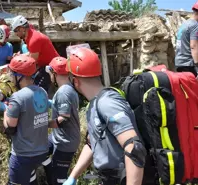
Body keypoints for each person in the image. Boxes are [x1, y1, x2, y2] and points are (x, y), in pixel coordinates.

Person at [63, 48, 147, 185]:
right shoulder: (94, 105)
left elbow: (134, 148)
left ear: (75, 81)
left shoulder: (107, 103)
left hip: (123, 178)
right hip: (108, 178)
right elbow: (92, 144)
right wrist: (73, 176)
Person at [3, 54, 50, 185]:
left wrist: (6, 112)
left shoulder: (17, 97)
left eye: (12, 74)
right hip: (41, 151)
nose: (11, 77)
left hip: (23, 155)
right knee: (31, 181)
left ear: (20, 76)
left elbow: (10, 126)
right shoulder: (43, 92)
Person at [41, 56, 80, 185]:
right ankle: (49, 169)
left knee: (58, 179)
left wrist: (44, 124)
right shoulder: (67, 88)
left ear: (54, 73)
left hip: (65, 141)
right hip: (57, 137)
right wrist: (51, 103)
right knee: (41, 150)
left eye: (50, 73)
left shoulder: (64, 92)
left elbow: (63, 119)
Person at [11, 15, 60, 92]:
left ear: (21, 28)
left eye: (15, 31)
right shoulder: (30, 36)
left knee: (38, 89)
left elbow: (32, 63)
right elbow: (32, 53)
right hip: (46, 65)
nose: (15, 34)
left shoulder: (34, 40)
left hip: (51, 67)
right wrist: (20, 56)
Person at [175, 1, 198, 77]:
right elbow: (193, 46)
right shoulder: (195, 25)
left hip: (179, 63)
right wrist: (197, 66)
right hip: (189, 65)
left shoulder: (185, 24)